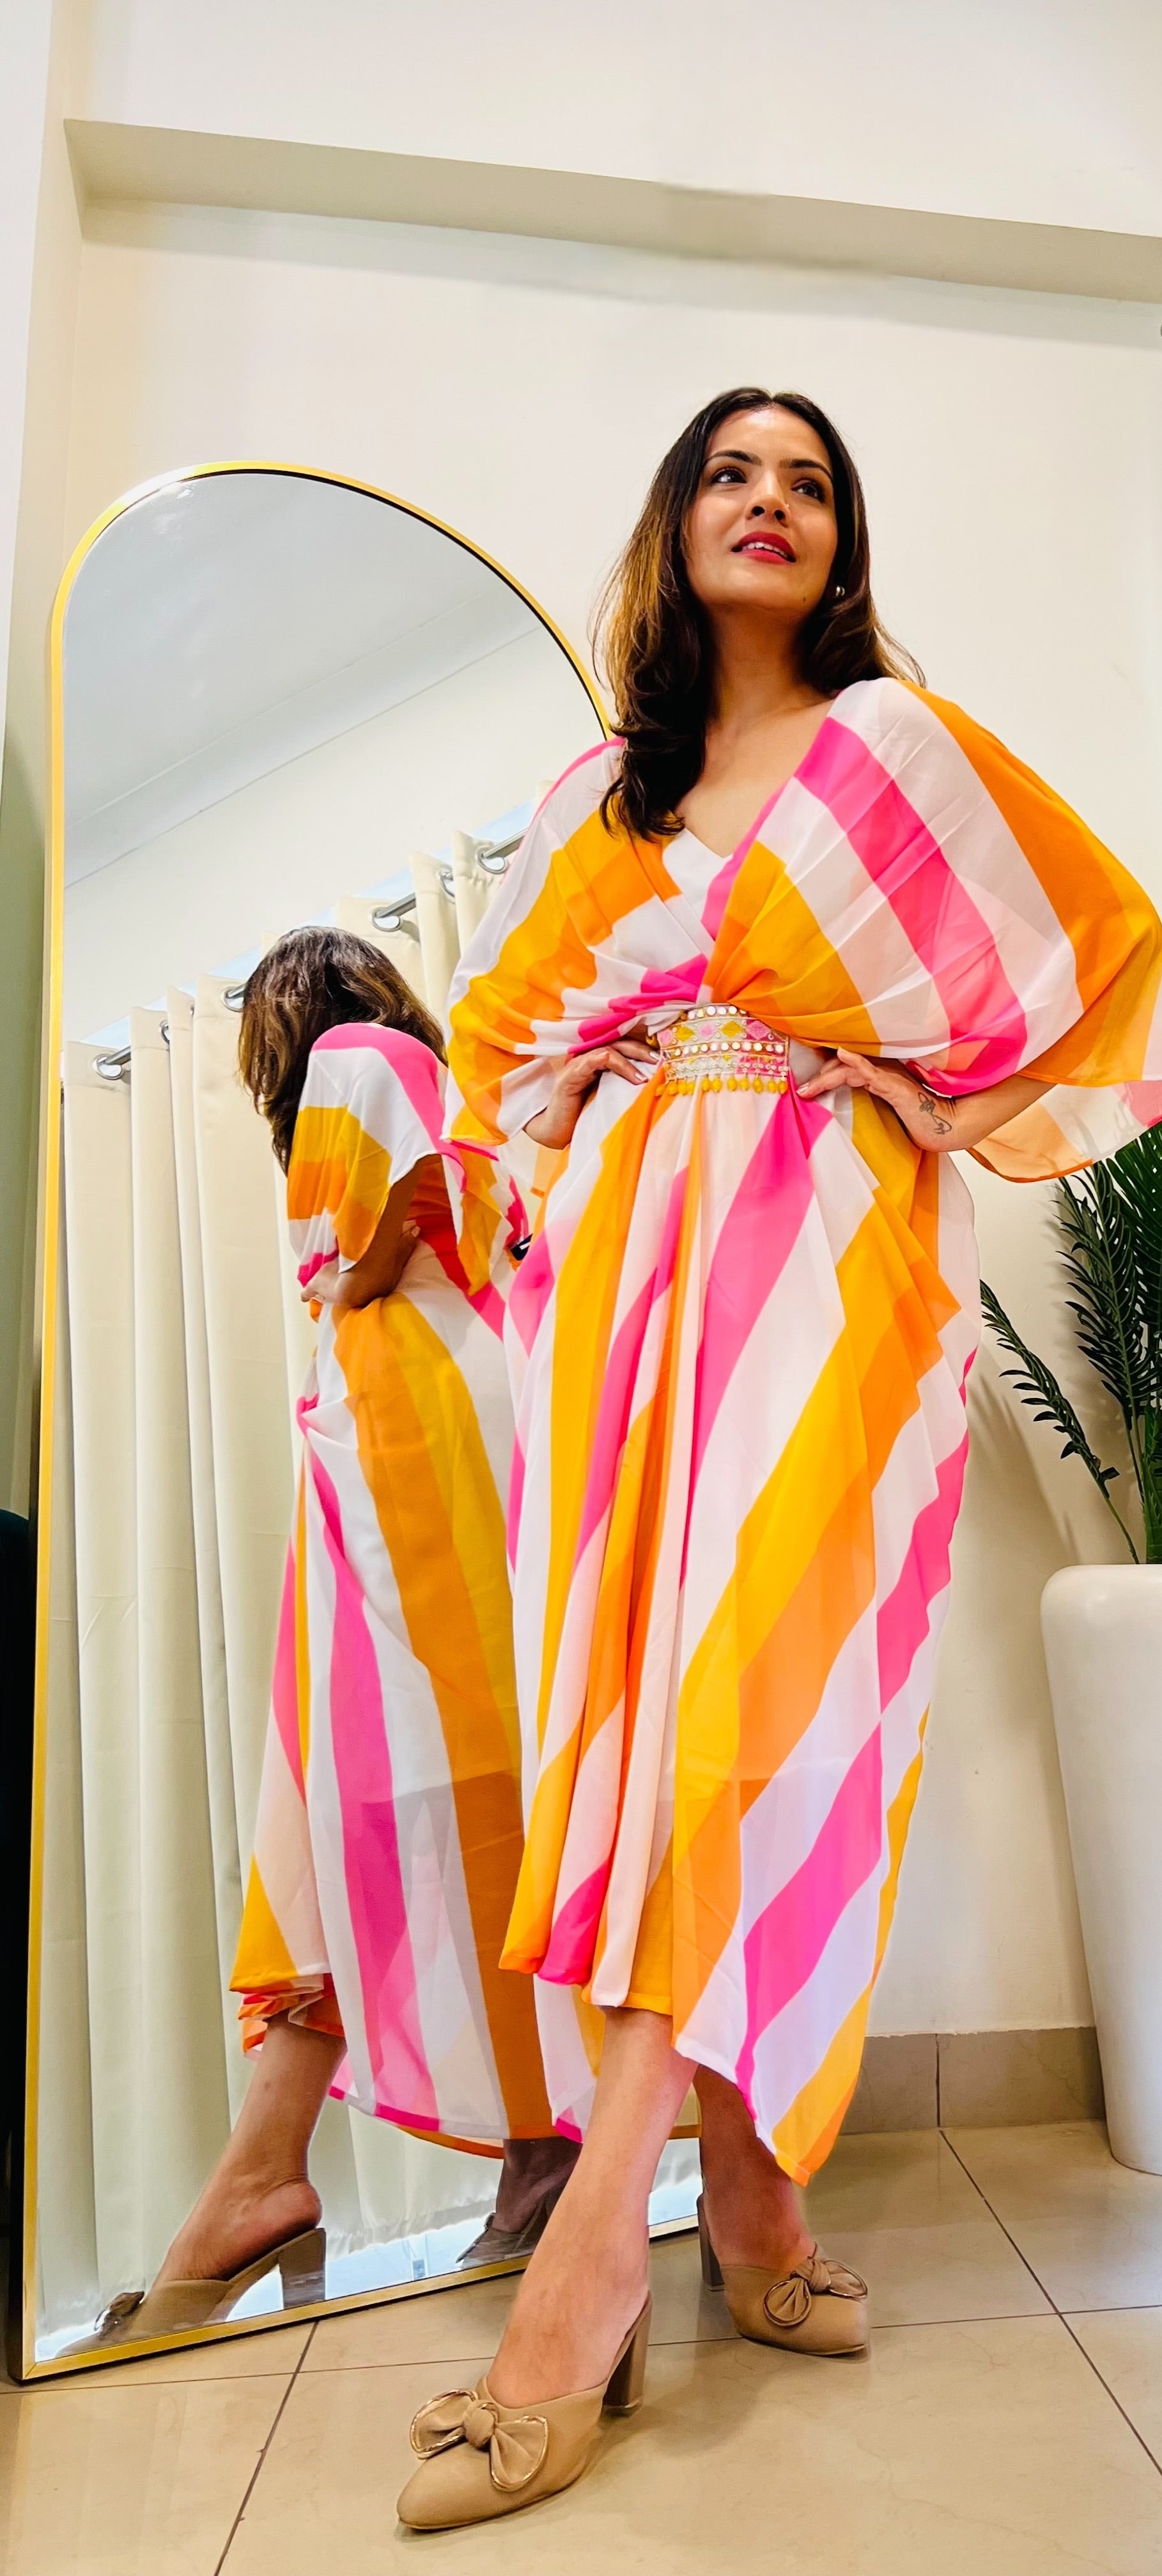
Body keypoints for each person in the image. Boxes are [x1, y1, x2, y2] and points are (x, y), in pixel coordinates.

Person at [400, 386, 1162, 2527]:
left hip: (831, 1259)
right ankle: (748, 2195)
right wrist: (580, 1150)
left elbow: (1094, 953)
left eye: (808, 482)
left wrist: (923, 1094)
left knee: (757, 1697)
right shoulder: (605, 795)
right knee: (648, 1715)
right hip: (633, 1291)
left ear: (841, 541)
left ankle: (589, 2269)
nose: (768, 502)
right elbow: (499, 1045)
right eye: (730, 474)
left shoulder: (890, 751)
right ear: (677, 523)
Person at [86, 930, 574, 2348]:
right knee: (420, 1803)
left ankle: (353, 2175)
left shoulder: (361, 1060)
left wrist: (347, 1277)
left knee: (420, 1801)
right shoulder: (439, 1077)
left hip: (414, 1443)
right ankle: (351, 2170)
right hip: (435, 1432)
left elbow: (355, 1252)